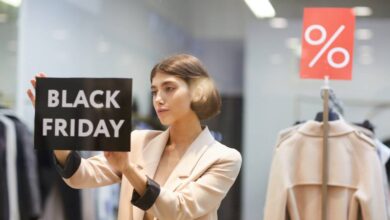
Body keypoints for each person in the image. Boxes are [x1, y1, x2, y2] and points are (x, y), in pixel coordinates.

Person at [27, 54, 242, 220]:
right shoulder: (139, 141)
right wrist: (55, 129)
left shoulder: (223, 158)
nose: (159, 99)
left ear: (198, 93)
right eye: (154, 91)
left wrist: (128, 169)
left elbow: (180, 209)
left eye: (169, 88)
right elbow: (80, 176)